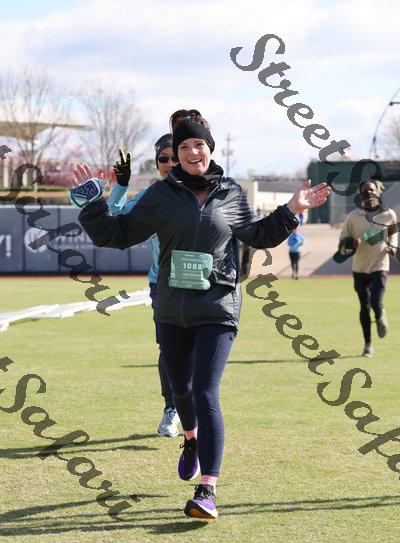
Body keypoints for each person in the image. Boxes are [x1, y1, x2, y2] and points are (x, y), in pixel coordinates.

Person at [74, 108, 330, 519]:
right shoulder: (160, 195)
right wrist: (91, 206)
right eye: (185, 147)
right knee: (181, 390)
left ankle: (207, 489)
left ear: (209, 149)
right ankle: (191, 439)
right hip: (172, 309)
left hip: (218, 307)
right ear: (176, 154)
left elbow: (259, 234)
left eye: (199, 145)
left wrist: (292, 209)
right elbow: (116, 235)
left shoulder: (230, 193)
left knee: (206, 391)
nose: (193, 152)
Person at [108, 135, 180, 438]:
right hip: (162, 283)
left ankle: (197, 408)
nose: (170, 163)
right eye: (163, 159)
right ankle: (171, 408)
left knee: (200, 351)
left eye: (175, 157)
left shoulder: (207, 191)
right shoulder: (151, 196)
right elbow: (115, 215)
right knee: (169, 348)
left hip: (202, 284)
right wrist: (122, 185)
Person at [338, 179, 398, 357]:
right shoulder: (353, 217)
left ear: (378, 192)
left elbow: (393, 234)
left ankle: (379, 315)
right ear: (360, 194)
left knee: (375, 302)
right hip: (359, 267)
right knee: (364, 307)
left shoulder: (388, 215)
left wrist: (393, 247)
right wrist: (351, 243)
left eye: (371, 190)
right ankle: (368, 345)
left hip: (380, 264)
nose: (368, 193)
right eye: (364, 191)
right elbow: (342, 244)